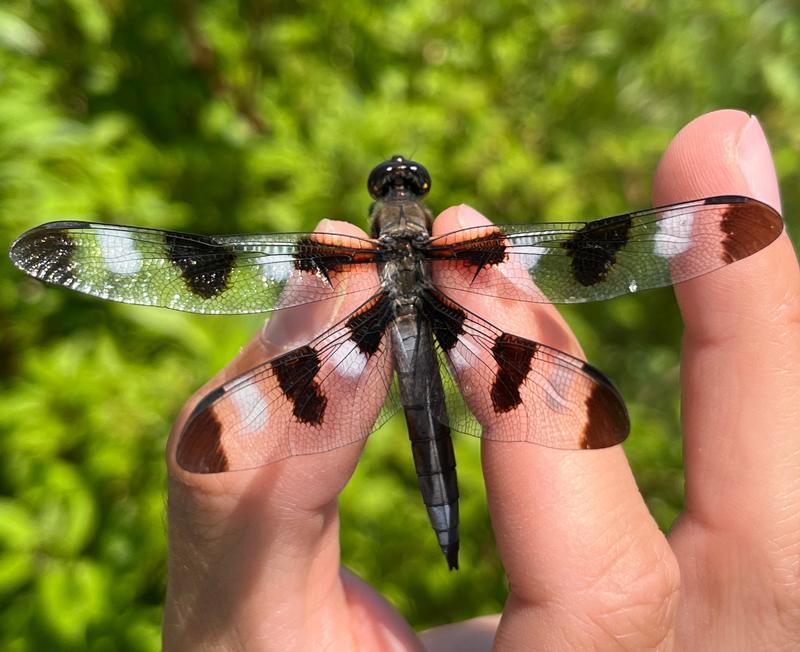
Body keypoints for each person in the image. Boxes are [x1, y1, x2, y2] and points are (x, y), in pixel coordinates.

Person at [162, 110, 800, 651]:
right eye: (399, 187)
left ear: (379, 210)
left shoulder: (364, 252)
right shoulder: (448, 250)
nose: (400, 192)